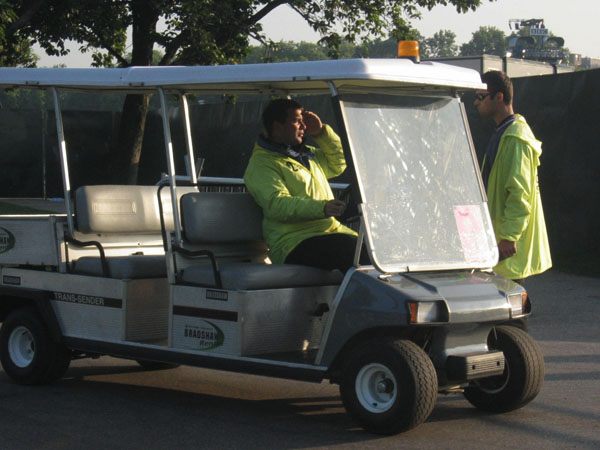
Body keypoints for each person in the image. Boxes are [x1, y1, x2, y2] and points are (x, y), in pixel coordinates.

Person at [244, 98, 367, 272]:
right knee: (349, 249)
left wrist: (321, 133)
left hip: (328, 232)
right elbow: (277, 205)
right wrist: (322, 208)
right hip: (292, 242)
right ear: (277, 126)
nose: (303, 126)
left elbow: (340, 162)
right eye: (296, 121)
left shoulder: (306, 156)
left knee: (375, 247)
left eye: (303, 120)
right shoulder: (262, 164)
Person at [475, 70, 552, 282]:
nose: (476, 102)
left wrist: (509, 237)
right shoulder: (503, 133)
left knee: (510, 302)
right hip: (498, 245)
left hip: (507, 250)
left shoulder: (516, 138)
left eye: (480, 96)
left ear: (499, 97)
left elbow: (520, 193)